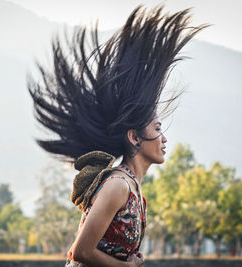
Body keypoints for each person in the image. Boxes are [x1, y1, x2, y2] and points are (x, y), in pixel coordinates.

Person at [27, 4, 209, 266]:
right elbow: (80, 252)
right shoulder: (117, 185)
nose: (164, 138)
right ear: (134, 137)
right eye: (157, 129)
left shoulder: (132, 186)